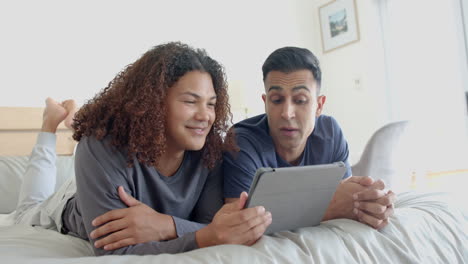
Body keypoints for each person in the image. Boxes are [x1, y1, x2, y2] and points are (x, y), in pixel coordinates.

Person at [14, 42, 272, 256]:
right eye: (191, 101)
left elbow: (207, 223)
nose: (205, 116)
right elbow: (113, 252)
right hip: (72, 205)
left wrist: (166, 226)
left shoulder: (211, 150)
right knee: (28, 210)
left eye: (211, 104)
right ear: (154, 102)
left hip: (109, 181)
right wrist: (205, 237)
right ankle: (49, 123)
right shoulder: (99, 147)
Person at [223, 46, 396, 229]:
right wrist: (333, 207)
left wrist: (373, 204)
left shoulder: (331, 132)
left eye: (300, 100)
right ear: (265, 103)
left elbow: (349, 197)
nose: (287, 113)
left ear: (319, 105)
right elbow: (240, 223)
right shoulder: (241, 141)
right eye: (277, 100)